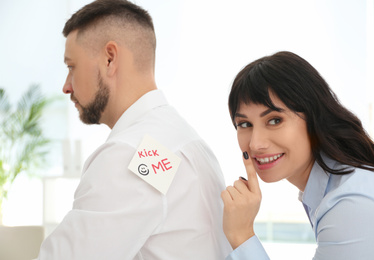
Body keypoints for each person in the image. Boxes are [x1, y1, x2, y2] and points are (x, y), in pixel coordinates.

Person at [38, 0, 231, 259]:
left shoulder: (128, 155)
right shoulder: (186, 141)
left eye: (71, 67)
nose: (66, 86)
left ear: (110, 59)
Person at [221, 51, 374, 259]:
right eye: (245, 124)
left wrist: (242, 235)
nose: (255, 144)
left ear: (314, 117)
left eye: (274, 120)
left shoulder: (352, 204)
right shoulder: (333, 188)